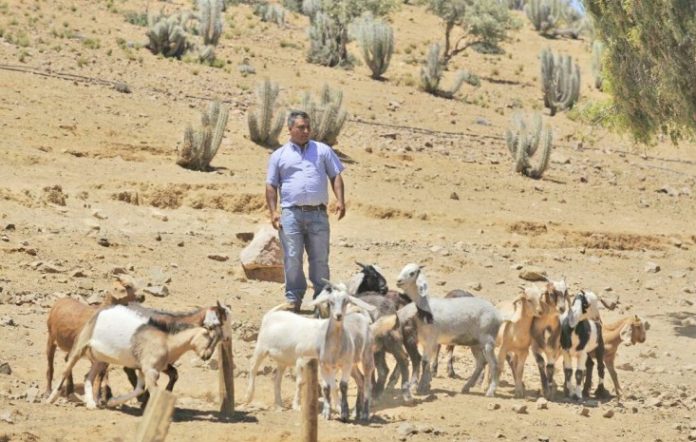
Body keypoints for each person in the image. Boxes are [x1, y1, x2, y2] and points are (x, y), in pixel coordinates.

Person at [265, 110, 346, 312]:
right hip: (291, 214)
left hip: (318, 213)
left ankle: (322, 299)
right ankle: (293, 299)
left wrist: (340, 200)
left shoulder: (323, 151)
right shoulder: (279, 155)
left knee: (320, 257)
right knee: (292, 256)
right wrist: (273, 212)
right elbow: (271, 185)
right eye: (301, 127)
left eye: (308, 127)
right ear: (290, 129)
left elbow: (335, 175)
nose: (306, 131)